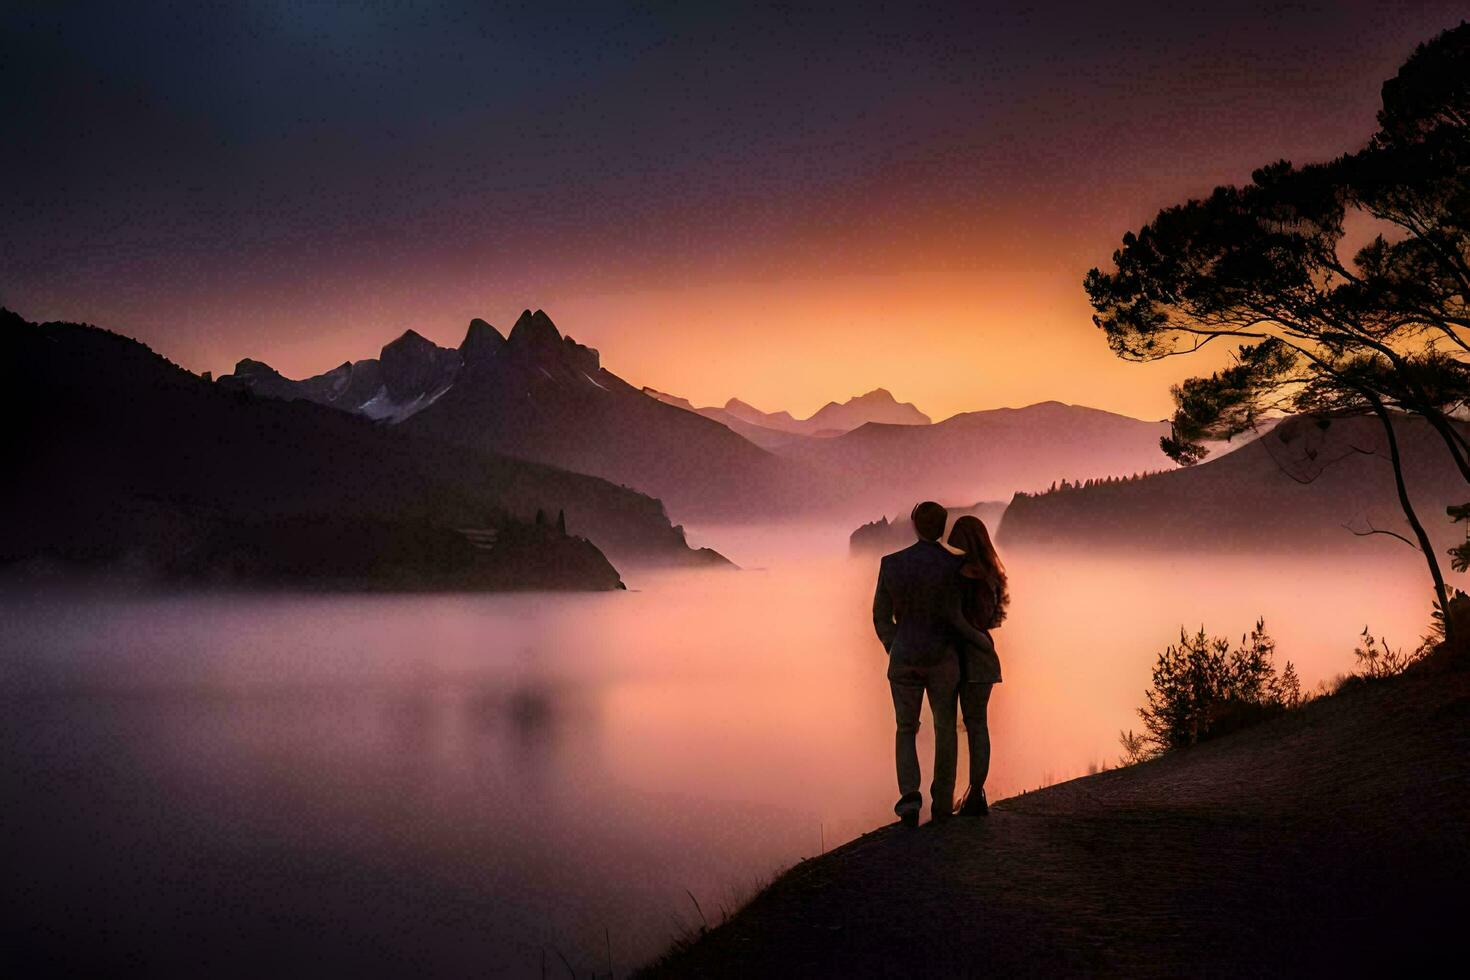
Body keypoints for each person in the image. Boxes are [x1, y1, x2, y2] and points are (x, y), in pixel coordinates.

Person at [873, 501, 997, 827]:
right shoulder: (954, 567)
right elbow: (966, 612)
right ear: (941, 528)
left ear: (914, 524)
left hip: (904, 658)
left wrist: (894, 645)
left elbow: (881, 617)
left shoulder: (891, 564)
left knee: (905, 728)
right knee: (946, 729)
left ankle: (909, 801)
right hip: (944, 659)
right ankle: (942, 802)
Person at [946, 515, 1008, 817]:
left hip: (970, 657)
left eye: (956, 535)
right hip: (980, 656)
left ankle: (974, 793)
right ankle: (975, 791)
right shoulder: (991, 574)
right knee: (976, 724)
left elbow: (962, 621)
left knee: (972, 724)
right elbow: (986, 621)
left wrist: (973, 639)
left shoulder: (968, 575)